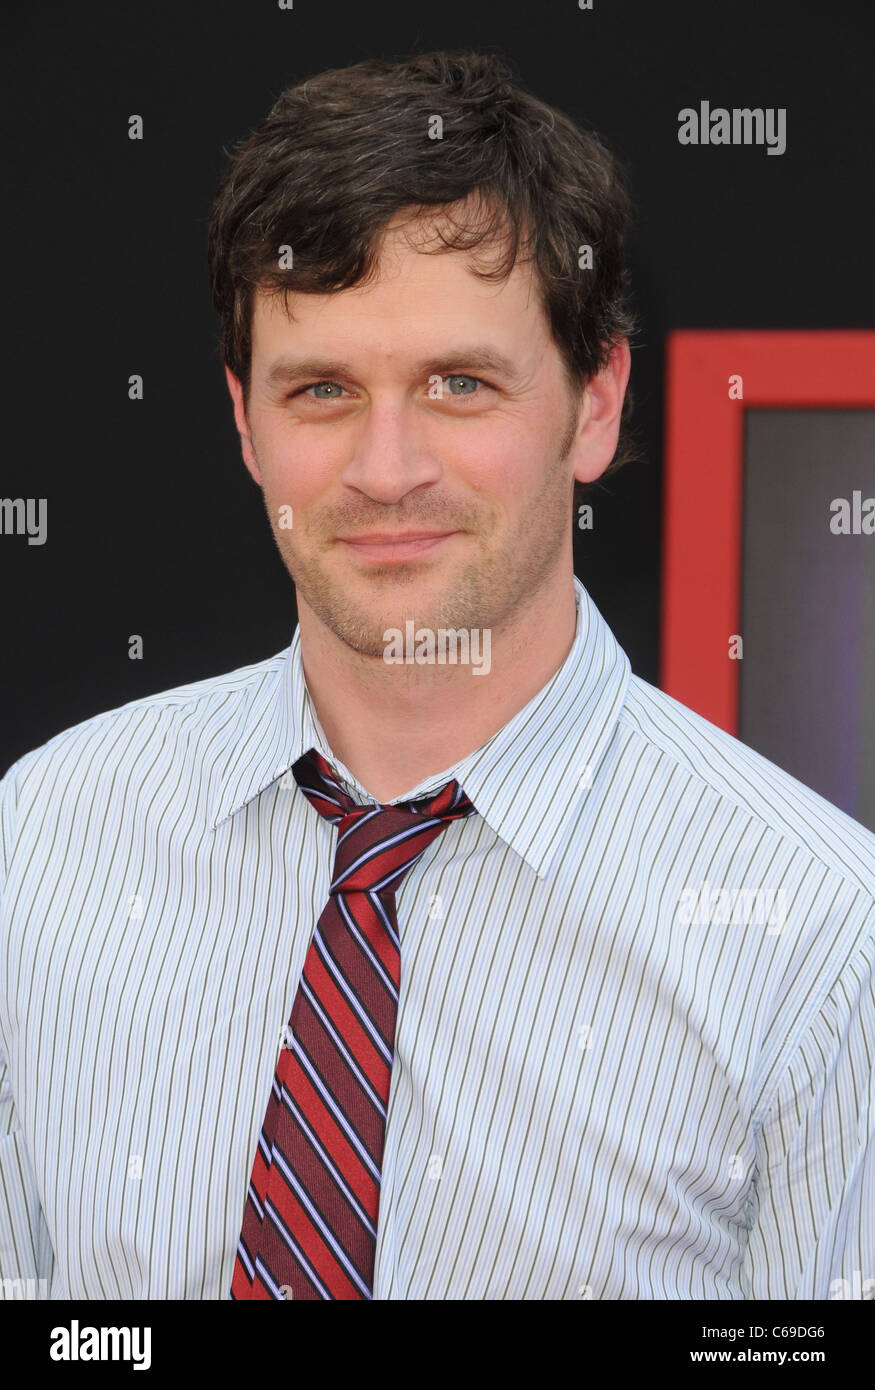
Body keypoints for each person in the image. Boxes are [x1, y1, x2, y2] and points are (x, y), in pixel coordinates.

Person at [1, 49, 873, 1303]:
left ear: (594, 406)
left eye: (459, 385)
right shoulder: (44, 839)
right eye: (323, 390)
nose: (386, 467)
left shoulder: (816, 939)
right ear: (245, 421)